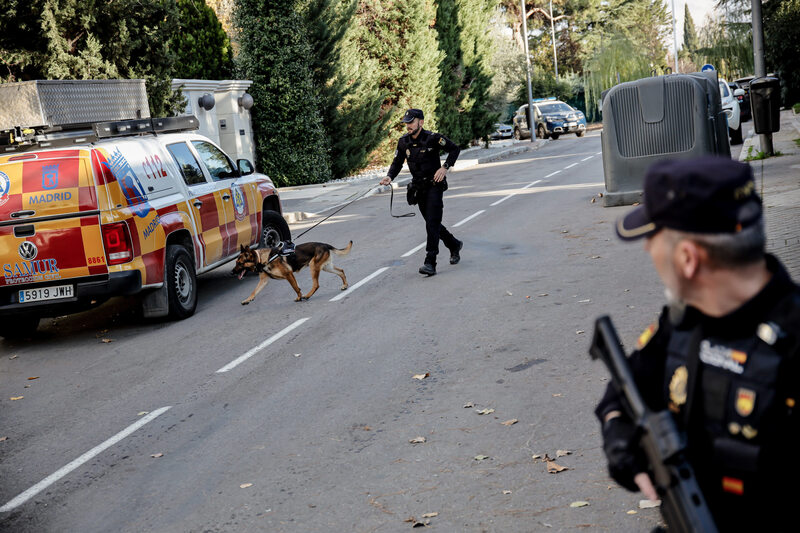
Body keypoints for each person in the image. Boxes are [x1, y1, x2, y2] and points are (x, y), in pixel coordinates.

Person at [595, 156, 800, 532]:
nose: (646, 251)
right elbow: (624, 389)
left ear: (688, 258)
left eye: (652, 239)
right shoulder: (683, 322)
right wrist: (618, 434)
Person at [380, 109, 463, 276]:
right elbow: (397, 162)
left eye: (411, 122)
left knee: (432, 223)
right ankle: (453, 244)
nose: (408, 126)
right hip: (419, 188)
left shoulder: (433, 138)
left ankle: (430, 261)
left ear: (421, 122)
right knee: (433, 224)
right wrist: (389, 177)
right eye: (406, 122)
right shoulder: (403, 142)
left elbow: (454, 149)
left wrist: (444, 168)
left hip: (435, 185)